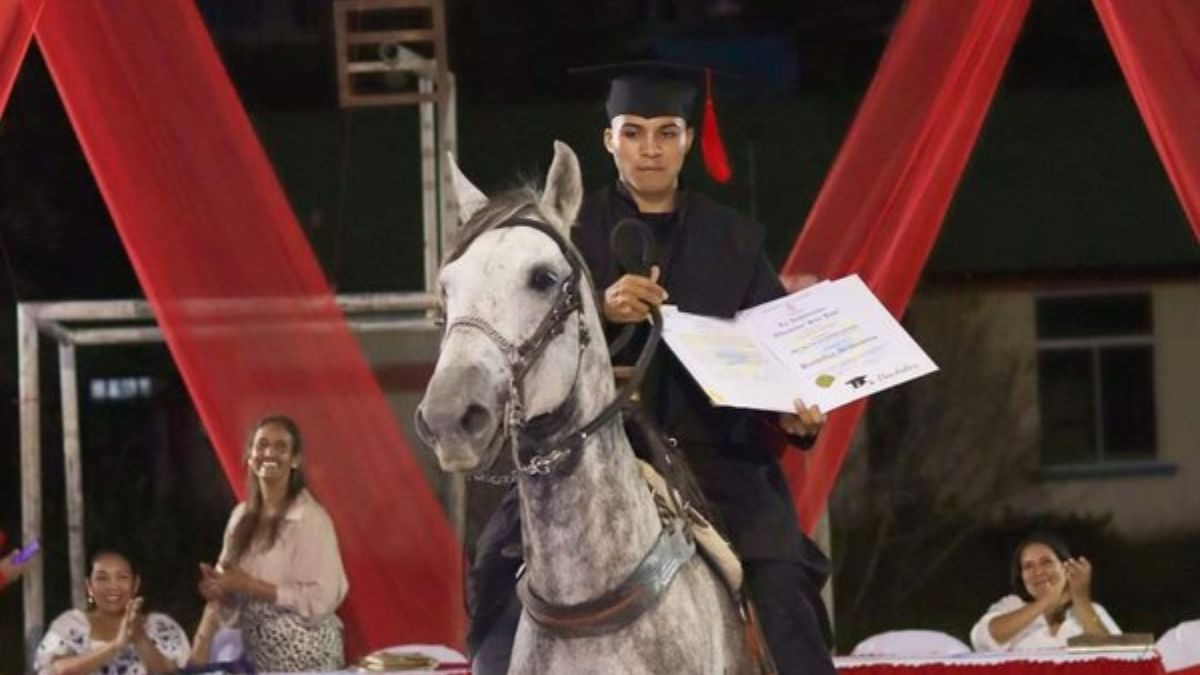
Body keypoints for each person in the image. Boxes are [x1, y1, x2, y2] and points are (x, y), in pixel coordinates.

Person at [467, 62, 836, 675]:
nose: (650, 149)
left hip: (716, 457)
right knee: (495, 565)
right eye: (633, 132)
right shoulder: (564, 236)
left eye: (667, 132)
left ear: (689, 140)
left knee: (781, 583)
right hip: (586, 452)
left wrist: (796, 415)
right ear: (608, 140)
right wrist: (604, 310)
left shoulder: (734, 240)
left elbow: (780, 356)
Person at [192, 414, 349, 671]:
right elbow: (234, 604)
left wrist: (249, 585)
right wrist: (222, 591)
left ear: (295, 460)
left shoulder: (311, 519)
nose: (269, 453)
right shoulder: (240, 517)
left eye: (281, 447)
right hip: (259, 652)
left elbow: (322, 598)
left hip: (308, 650)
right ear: (250, 456)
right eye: (262, 444)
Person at [33, 548, 190, 675]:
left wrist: (140, 638)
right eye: (102, 578)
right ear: (89, 586)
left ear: (136, 584)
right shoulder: (70, 624)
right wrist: (116, 645)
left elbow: (174, 672)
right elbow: (59, 670)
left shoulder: (161, 626)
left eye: (122, 577)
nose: (112, 586)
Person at [971, 532, 1120, 651]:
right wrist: (1047, 599)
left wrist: (1080, 598)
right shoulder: (1011, 605)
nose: (1038, 572)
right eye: (1028, 566)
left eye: (1046, 562)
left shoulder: (1090, 610)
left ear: (1065, 567)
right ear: (1021, 576)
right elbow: (984, 638)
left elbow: (1115, 655)